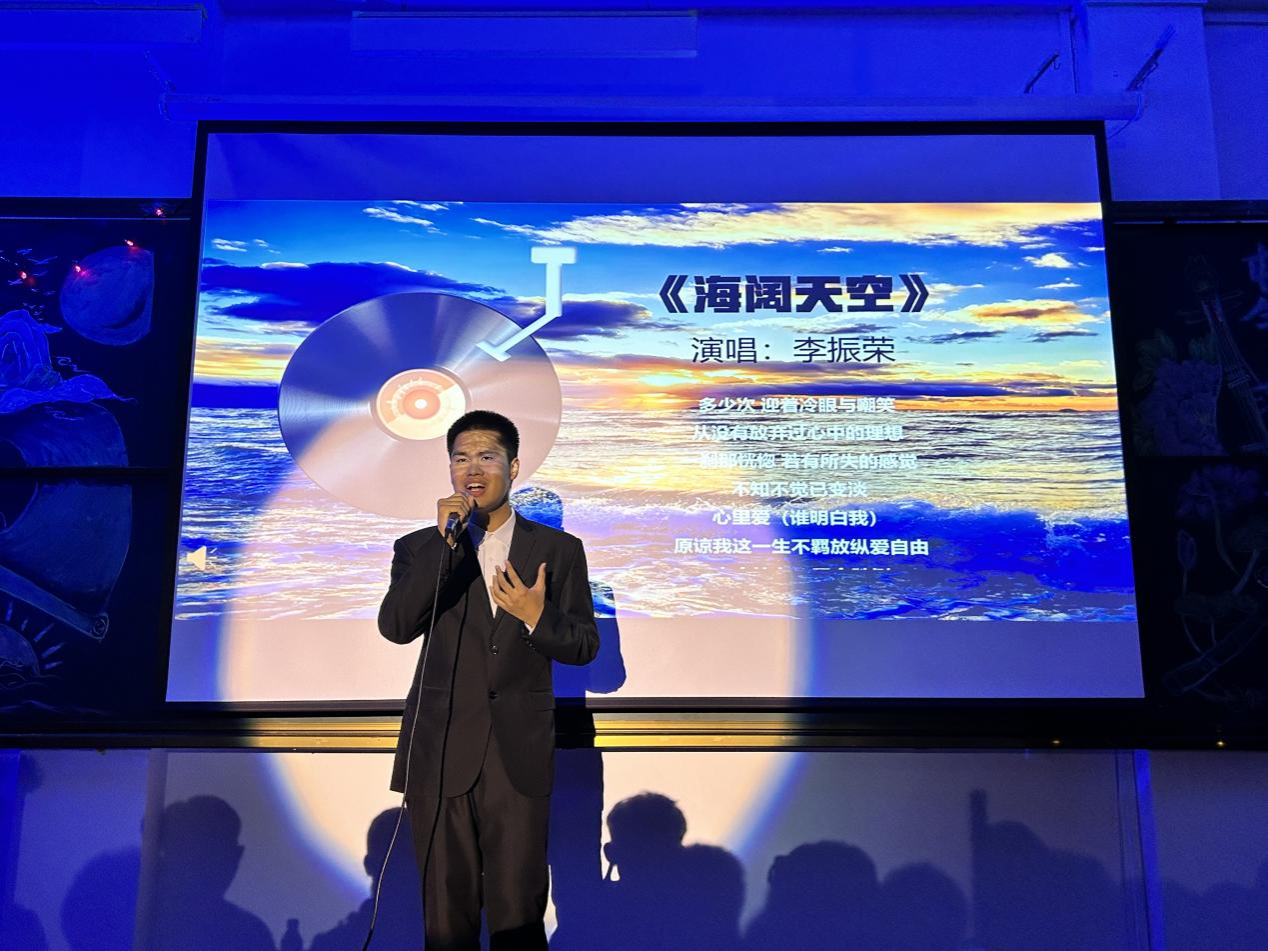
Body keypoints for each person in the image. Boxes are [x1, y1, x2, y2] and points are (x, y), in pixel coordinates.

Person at [378, 409, 600, 951]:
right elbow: (396, 627)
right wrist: (444, 545)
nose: (472, 470)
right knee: (445, 917)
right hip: (440, 751)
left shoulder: (559, 550)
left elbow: (584, 647)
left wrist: (535, 616)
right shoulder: (419, 548)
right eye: (460, 459)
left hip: (517, 755)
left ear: (513, 466)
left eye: (486, 457)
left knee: (518, 912)